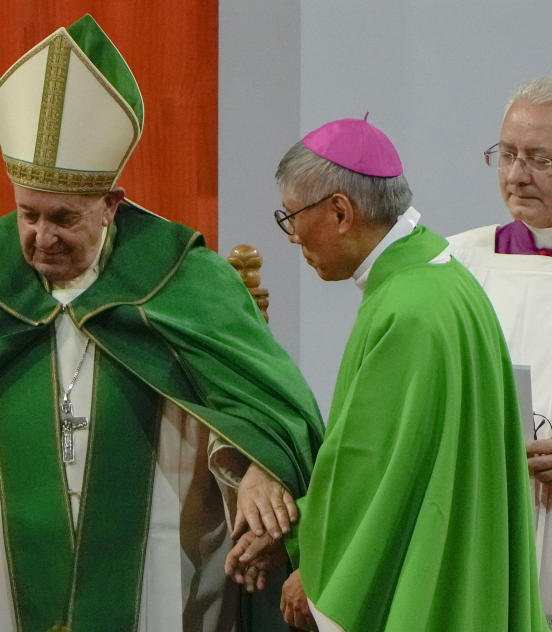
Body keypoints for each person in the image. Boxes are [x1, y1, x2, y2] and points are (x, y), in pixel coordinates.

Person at [0, 14, 324, 632]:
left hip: (160, 585)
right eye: (27, 214)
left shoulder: (188, 283)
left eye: (64, 218)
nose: (40, 237)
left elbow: (248, 410)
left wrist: (251, 469)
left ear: (112, 204)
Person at [231, 116, 544, 631]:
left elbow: (374, 469)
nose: (291, 237)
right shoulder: (439, 276)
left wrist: (316, 567)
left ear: (339, 212)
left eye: (291, 218)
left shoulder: (407, 309)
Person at [448, 76, 552, 624]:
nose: (516, 176)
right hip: (484, 520)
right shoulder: (457, 263)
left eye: (540, 160)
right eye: (507, 155)